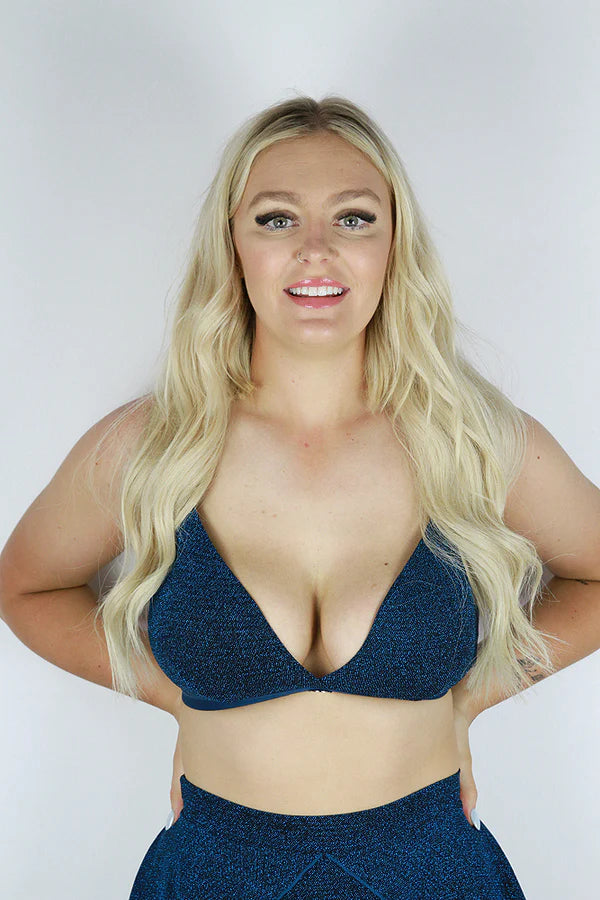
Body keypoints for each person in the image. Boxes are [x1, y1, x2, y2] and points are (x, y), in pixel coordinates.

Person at [1, 94, 599, 899]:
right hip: (213, 873)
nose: (316, 251)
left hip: (433, 873)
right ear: (232, 246)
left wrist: (471, 701)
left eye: (354, 219)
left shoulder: (474, 440)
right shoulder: (152, 444)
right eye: (276, 219)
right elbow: (27, 586)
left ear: (394, 245)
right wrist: (174, 699)